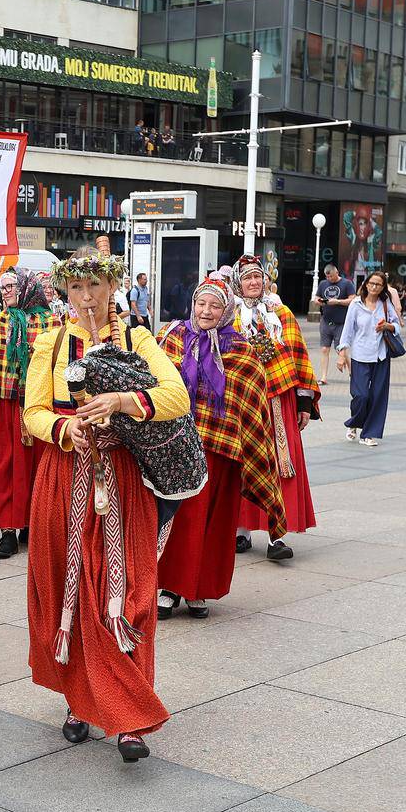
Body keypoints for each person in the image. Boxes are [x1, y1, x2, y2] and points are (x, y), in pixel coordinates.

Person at [23, 248, 190, 765]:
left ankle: (129, 718)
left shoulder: (138, 338)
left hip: (122, 478)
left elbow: (176, 397)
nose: (87, 297)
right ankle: (80, 700)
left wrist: (120, 402)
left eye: (95, 285)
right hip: (65, 476)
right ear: (64, 293)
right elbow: (31, 411)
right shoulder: (50, 343)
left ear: (113, 288)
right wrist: (64, 426)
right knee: (67, 586)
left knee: (129, 592)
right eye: (76, 288)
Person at [156, 277, 284, 618]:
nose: (206, 311)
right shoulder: (171, 337)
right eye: (201, 304)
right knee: (176, 518)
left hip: (220, 449)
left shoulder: (239, 347)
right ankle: (168, 587)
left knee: (211, 521)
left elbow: (252, 393)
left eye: (214, 306)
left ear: (225, 309)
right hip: (176, 448)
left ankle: (199, 590)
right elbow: (153, 383)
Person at [229, 254, 319, 560]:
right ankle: (240, 531)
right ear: (237, 284)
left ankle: (275, 536)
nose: (253, 282)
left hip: (278, 398)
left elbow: (299, 355)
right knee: (241, 463)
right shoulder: (229, 315)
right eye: (247, 278)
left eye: (258, 277)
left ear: (266, 280)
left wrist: (304, 401)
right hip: (240, 399)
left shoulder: (282, 313)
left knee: (280, 465)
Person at [0, 267, 53, 559]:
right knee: (3, 470)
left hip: (41, 405)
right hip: (3, 406)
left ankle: (30, 523)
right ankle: (7, 532)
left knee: (37, 469)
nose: (5, 292)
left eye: (10, 286)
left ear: (27, 288)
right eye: (2, 287)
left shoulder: (51, 322)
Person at [337, 271, 401, 447]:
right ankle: (355, 423)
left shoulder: (386, 303)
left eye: (378, 285)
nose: (374, 287)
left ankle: (369, 433)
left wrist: (388, 326)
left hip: (381, 356)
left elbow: (397, 326)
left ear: (383, 287)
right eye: (371, 283)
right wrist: (342, 354)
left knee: (378, 396)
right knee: (361, 396)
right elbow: (347, 331)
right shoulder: (356, 305)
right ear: (365, 284)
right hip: (360, 355)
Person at [315, 264, 354, 385]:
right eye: (327, 277)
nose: (329, 279)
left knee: (341, 350)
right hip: (326, 321)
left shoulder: (347, 284)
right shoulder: (323, 284)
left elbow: (353, 299)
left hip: (341, 322)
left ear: (336, 273)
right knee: (324, 349)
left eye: (331, 276)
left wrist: (338, 301)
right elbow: (316, 298)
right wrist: (320, 302)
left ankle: (353, 373)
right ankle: (323, 377)